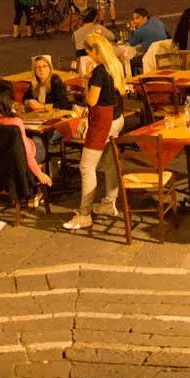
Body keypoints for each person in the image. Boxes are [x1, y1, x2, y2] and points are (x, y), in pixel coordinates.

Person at [62, 32, 127, 232]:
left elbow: (91, 100)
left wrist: (87, 81)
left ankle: (84, 214)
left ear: (95, 50)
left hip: (102, 121)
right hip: (117, 118)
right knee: (108, 163)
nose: (88, 54)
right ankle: (109, 202)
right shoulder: (115, 65)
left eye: (89, 50)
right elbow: (122, 91)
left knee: (86, 167)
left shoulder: (99, 71)